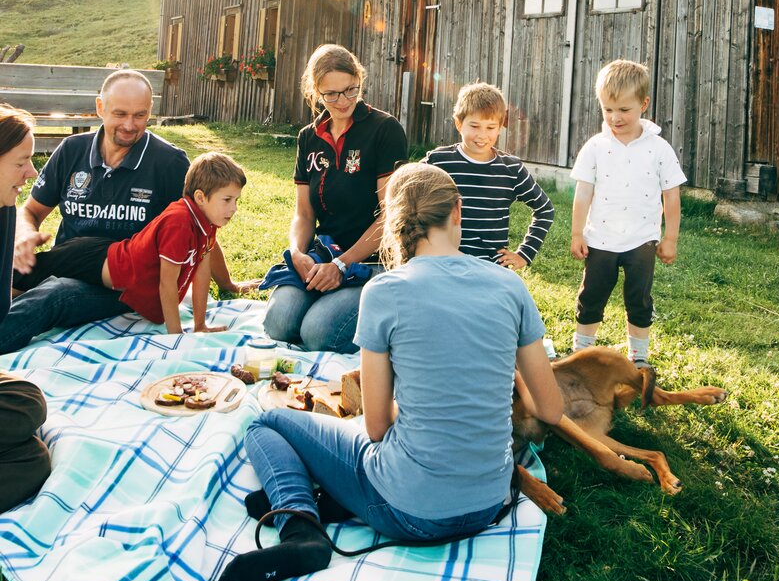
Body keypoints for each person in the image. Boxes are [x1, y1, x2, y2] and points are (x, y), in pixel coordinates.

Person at [216, 162, 562, 581]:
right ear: (457, 211)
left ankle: (302, 530)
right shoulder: (510, 286)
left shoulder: (385, 291)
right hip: (489, 502)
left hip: (407, 510)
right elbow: (550, 411)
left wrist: (417, 407)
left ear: (393, 225)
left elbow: (376, 427)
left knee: (267, 425)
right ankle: (330, 498)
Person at [2, 70, 251, 354]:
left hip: (122, 286)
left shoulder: (169, 162)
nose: (130, 125)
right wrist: (24, 236)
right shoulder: (72, 149)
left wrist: (227, 283)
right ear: (100, 107)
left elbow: (200, 230)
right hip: (67, 259)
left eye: (140, 115)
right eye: (120, 114)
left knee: (54, 296)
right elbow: (31, 211)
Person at [262, 44, 407, 354]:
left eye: (351, 90)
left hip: (371, 262)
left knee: (316, 333)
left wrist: (342, 265)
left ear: (360, 81)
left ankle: (385, 309)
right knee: (278, 324)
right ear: (316, 92)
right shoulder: (308, 137)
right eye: (331, 94)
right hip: (323, 255)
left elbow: (390, 216)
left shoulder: (385, 129)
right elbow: (304, 213)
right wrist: (297, 253)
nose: (343, 101)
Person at [11, 152, 246, 334]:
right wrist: (176, 336)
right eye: (227, 200)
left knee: (28, 283)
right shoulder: (180, 222)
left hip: (109, 260)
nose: (233, 208)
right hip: (91, 257)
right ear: (200, 198)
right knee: (19, 278)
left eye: (236, 200)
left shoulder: (206, 223)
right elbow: (167, 284)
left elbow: (201, 272)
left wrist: (200, 324)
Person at [570, 59, 686, 367]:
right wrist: (577, 233)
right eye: (607, 109)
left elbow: (671, 196)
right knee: (591, 295)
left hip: (642, 240)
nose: (614, 117)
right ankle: (582, 352)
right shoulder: (595, 147)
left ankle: (639, 358)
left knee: (639, 299)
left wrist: (670, 238)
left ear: (643, 104)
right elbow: (583, 194)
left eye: (624, 110)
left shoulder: (659, 149)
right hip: (601, 239)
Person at [423, 82, 554, 267]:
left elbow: (545, 209)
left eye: (490, 127)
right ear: (459, 124)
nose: (482, 135)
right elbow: (408, 197)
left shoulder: (511, 169)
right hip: (442, 263)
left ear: (500, 127)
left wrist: (524, 254)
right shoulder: (438, 161)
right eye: (474, 126)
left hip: (490, 268)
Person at [0, 105, 51, 511]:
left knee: (32, 461)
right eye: (22, 162)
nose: (31, 173)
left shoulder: (3, 214)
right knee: (25, 406)